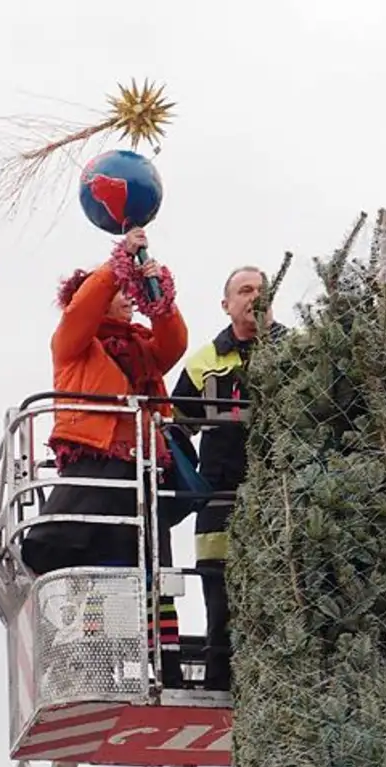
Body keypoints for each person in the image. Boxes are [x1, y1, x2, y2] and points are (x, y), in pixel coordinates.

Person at [19, 227, 190, 688]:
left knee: (152, 572)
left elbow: (174, 343)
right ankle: (85, 660)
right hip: (96, 462)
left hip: (142, 470)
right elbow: (84, 307)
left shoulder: (141, 348)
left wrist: (159, 298)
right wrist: (118, 264)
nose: (127, 297)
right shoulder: (74, 342)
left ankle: (167, 667)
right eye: (120, 292)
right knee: (75, 555)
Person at [171, 265, 288, 692]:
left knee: (282, 597)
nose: (254, 296)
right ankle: (220, 685)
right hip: (219, 501)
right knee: (219, 601)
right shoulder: (204, 363)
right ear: (226, 305)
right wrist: (188, 487)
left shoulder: (296, 354)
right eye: (245, 290)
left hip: (283, 501)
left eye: (261, 290)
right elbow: (175, 428)